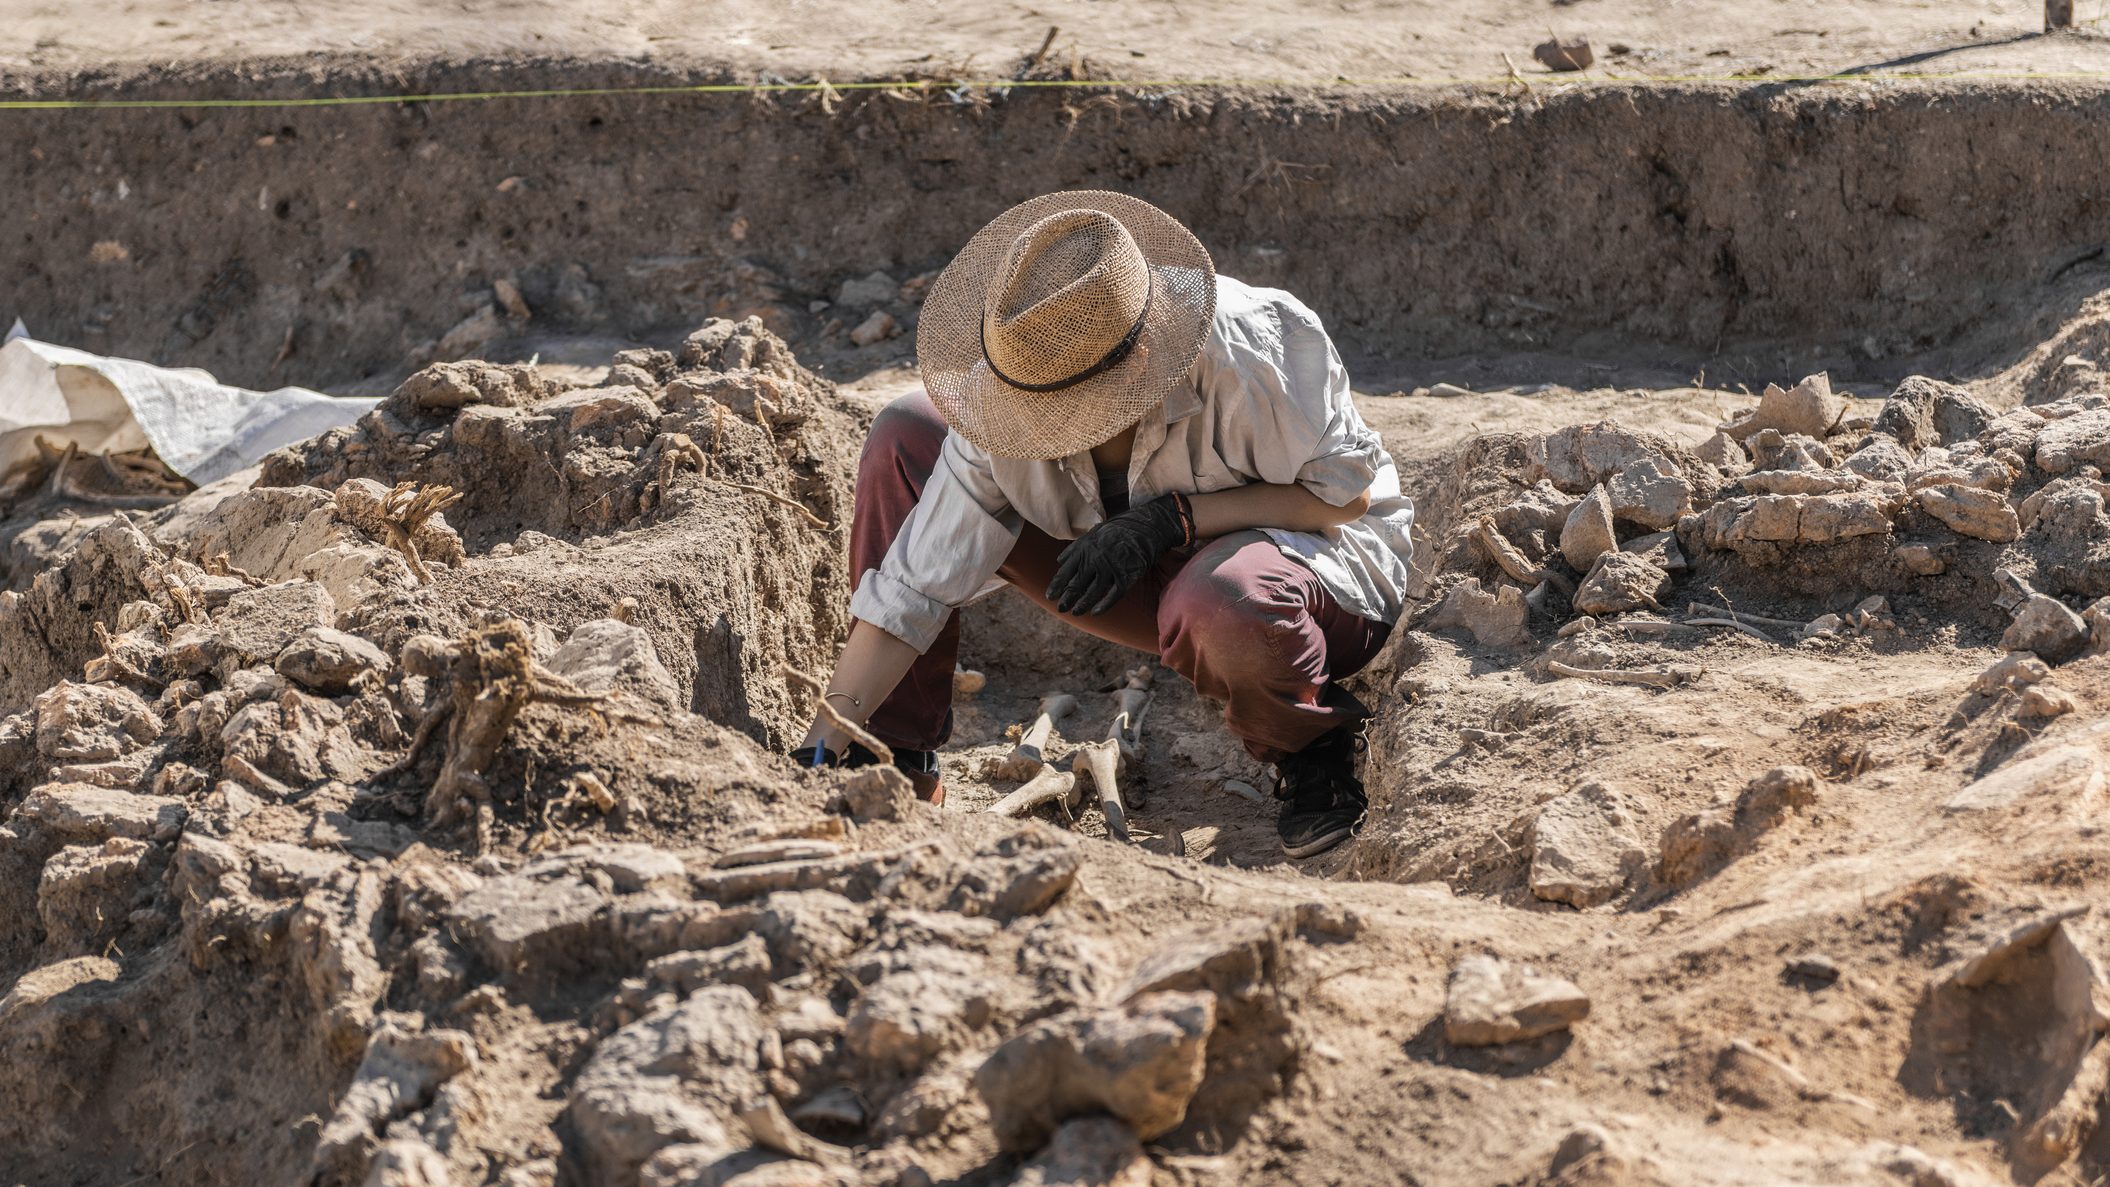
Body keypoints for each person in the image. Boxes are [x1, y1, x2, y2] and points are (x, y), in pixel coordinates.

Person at [790, 191, 1415, 858]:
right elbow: (913, 582)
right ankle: (889, 757)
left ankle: (1311, 743)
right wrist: (827, 738)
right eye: (1032, 410)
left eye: (1070, 411)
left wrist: (1175, 519)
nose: (1040, 431)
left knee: (1223, 598)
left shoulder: (1256, 349)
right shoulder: (1015, 380)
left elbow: (1345, 498)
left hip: (1312, 576)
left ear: (1140, 363)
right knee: (908, 433)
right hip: (1134, 576)